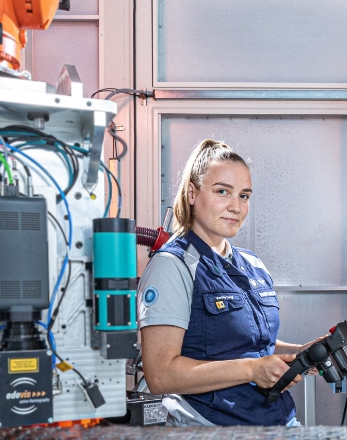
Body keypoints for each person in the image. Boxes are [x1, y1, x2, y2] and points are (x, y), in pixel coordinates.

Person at [138, 139, 319, 426]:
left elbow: (247, 343)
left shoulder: (252, 264)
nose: (235, 207)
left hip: (278, 420)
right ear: (192, 194)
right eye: (222, 192)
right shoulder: (173, 266)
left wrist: (297, 353)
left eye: (244, 196)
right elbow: (161, 376)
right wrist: (251, 370)